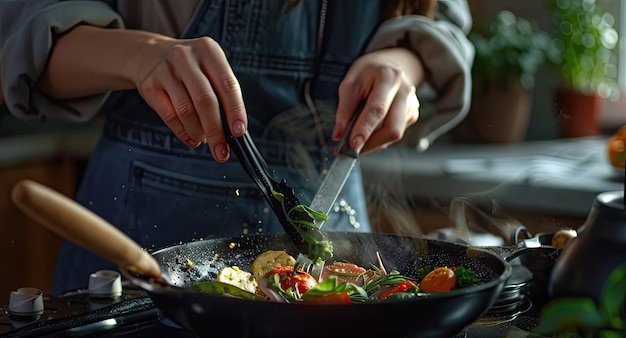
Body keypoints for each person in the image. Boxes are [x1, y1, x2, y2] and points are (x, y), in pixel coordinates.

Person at [0, 0, 474, 295]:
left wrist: (404, 63)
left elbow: (443, 20)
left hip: (335, 205)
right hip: (141, 221)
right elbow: (20, 35)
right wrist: (142, 54)